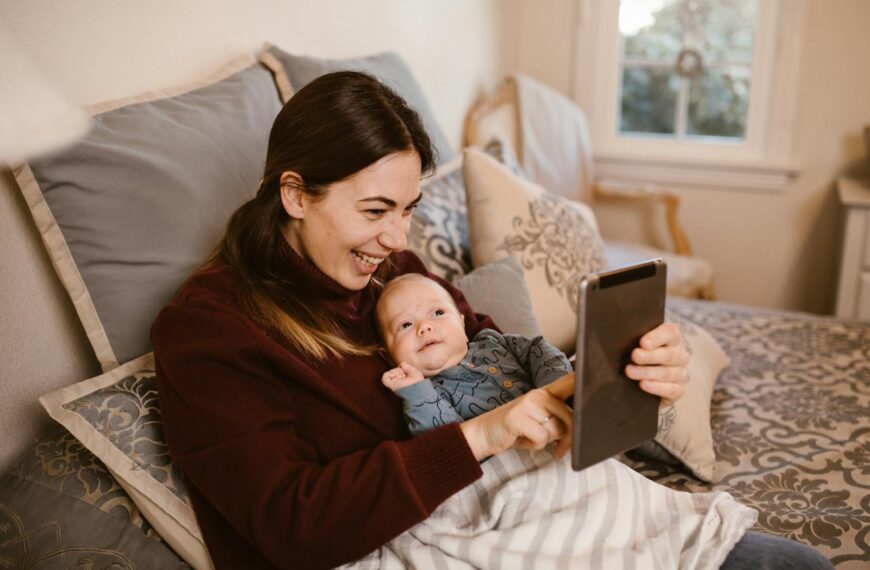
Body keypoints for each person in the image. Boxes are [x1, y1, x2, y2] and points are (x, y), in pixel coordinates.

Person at [151, 71, 831, 569]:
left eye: (409, 208)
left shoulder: (390, 272)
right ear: (295, 194)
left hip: (549, 503)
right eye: (375, 210)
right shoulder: (212, 332)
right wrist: (481, 434)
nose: (396, 238)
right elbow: (291, 525)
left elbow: (491, 351)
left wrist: (630, 375)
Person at [376, 273, 572, 436]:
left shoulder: (493, 341)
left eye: (437, 313)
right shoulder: (428, 396)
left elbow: (540, 351)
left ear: (462, 323)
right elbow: (447, 443)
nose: (424, 327)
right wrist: (416, 391)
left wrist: (553, 391)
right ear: (389, 354)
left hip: (559, 422)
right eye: (406, 325)